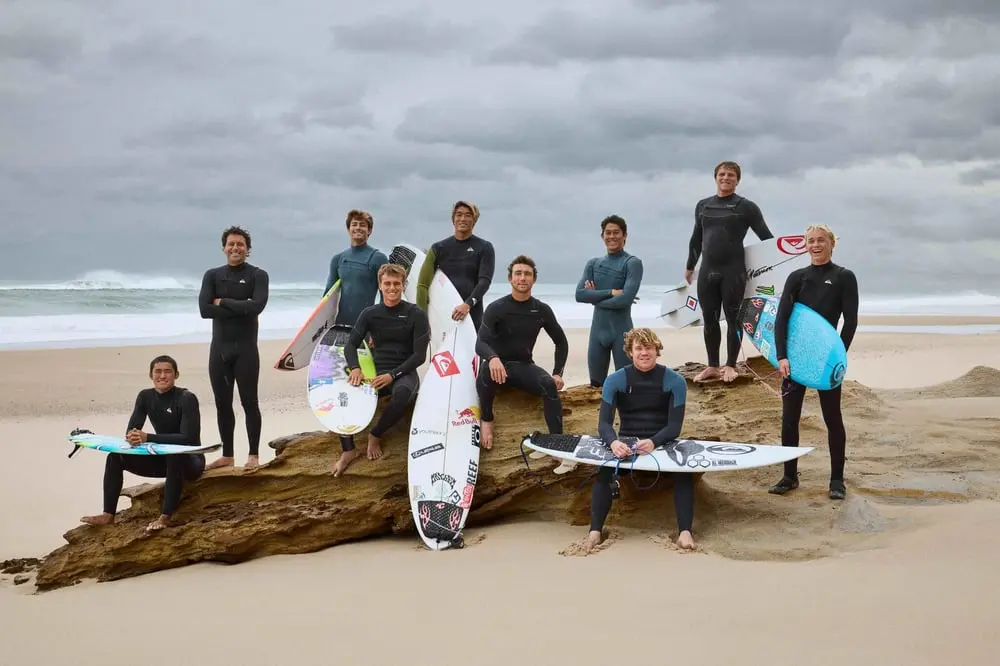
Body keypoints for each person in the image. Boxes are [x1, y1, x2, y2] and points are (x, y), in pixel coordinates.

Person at [768, 224, 859, 500]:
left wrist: (837, 358)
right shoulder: (797, 277)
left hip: (826, 361)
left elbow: (850, 321)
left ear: (832, 244)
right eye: (811, 241)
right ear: (805, 246)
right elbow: (782, 319)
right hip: (795, 360)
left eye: (821, 240)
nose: (816, 245)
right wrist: (782, 356)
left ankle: (836, 480)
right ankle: (789, 476)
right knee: (789, 418)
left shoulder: (844, 277)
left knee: (832, 418)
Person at [585, 328, 692, 552]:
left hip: (662, 442)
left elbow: (675, 427)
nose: (644, 353)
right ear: (630, 352)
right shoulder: (615, 380)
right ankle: (595, 532)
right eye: (639, 348)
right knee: (603, 471)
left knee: (684, 473)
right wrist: (614, 443)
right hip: (626, 444)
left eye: (649, 347)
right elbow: (604, 424)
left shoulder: (675, 381)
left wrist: (653, 442)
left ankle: (685, 533)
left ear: (657, 350)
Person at [80, 355, 205, 533]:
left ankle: (165, 517)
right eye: (158, 371)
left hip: (191, 461)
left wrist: (148, 437)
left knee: (174, 456)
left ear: (176, 375)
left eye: (168, 371)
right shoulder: (145, 397)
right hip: (163, 458)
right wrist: (133, 436)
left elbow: (188, 438)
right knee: (115, 457)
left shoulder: (186, 398)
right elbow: (132, 429)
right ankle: (108, 515)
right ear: (151, 375)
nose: (162, 376)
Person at [684, 161, 774, 384]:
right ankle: (713, 365)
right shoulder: (703, 205)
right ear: (715, 177)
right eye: (722, 174)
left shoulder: (746, 207)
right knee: (709, 318)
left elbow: (766, 238)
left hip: (733, 270)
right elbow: (696, 238)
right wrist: (690, 266)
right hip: (707, 270)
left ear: (737, 180)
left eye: (731, 175)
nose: (726, 178)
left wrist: (775, 267)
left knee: (734, 318)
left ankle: (731, 365)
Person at [336, 263, 431, 475]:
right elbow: (351, 345)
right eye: (387, 283)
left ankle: (376, 434)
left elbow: (419, 356)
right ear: (380, 285)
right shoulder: (370, 313)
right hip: (376, 370)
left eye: (396, 283)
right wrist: (355, 369)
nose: (392, 288)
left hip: (404, 371)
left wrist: (393, 375)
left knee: (403, 394)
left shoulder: (416, 314)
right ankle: (348, 450)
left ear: (403, 285)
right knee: (344, 396)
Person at [475, 254, 569, 460]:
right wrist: (493, 358)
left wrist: (557, 373)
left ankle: (557, 442)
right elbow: (480, 343)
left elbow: (561, 341)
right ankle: (487, 420)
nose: (522, 278)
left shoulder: (541, 310)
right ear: (510, 278)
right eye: (518, 273)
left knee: (549, 384)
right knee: (485, 371)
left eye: (527, 274)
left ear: (533, 279)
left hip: (523, 366)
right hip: (497, 369)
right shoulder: (497, 308)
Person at [198, 225, 269, 473]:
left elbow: (257, 307)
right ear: (224, 248)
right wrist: (241, 306)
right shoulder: (212, 275)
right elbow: (204, 310)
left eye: (240, 244)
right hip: (219, 351)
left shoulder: (258, 275)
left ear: (248, 250)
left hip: (246, 351)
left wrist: (223, 302)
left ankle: (253, 455)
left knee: (250, 403)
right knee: (222, 404)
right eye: (231, 244)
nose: (235, 248)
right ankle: (227, 455)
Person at [574, 215, 643, 387]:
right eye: (608, 233)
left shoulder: (632, 263)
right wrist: (611, 292)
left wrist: (594, 297)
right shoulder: (593, 264)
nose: (612, 236)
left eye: (616, 232)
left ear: (624, 235)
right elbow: (579, 295)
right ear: (602, 236)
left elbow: (624, 301)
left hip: (623, 334)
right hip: (597, 334)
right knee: (595, 386)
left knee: (626, 385)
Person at [416, 200, 495, 332]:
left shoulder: (484, 247)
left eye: (468, 215)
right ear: (453, 219)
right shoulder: (438, 248)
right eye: (459, 215)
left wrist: (467, 304)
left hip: (472, 317)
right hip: (442, 315)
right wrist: (422, 320)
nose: (462, 219)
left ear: (474, 220)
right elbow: (422, 285)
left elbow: (484, 282)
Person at [323, 209, 389, 325]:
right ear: (348, 229)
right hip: (341, 325)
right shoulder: (338, 259)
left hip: (367, 325)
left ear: (369, 231)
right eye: (354, 224)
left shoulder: (379, 259)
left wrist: (381, 321)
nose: (358, 228)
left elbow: (386, 294)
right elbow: (328, 294)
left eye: (362, 225)